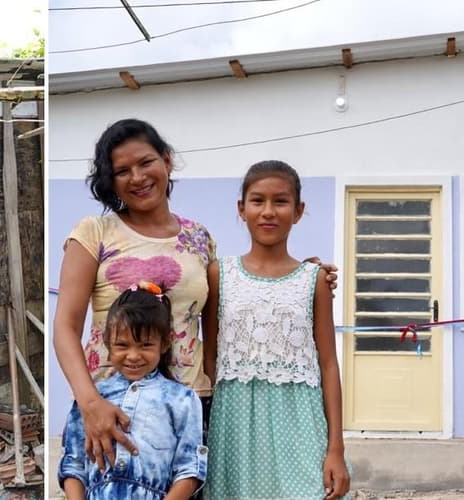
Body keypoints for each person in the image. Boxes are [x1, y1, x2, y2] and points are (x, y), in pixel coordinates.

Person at [52, 118, 337, 471]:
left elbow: (235, 297)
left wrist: (299, 277)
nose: (137, 177)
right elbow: (65, 327)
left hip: (191, 405)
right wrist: (90, 403)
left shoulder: (199, 238)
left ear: (167, 161)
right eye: (122, 171)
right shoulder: (94, 232)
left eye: (145, 162)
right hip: (114, 405)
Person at [202, 160, 350, 499]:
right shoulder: (219, 274)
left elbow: (328, 364)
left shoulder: (314, 280)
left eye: (280, 201)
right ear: (241, 209)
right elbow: (210, 357)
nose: (268, 211)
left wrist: (336, 449)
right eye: (258, 201)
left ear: (298, 211)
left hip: (301, 426)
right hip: (234, 429)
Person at [59, 282, 207, 499]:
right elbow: (73, 465)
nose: (133, 356)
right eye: (122, 345)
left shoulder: (182, 400)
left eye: (145, 345)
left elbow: (190, 468)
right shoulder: (91, 399)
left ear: (165, 343)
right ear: (107, 343)